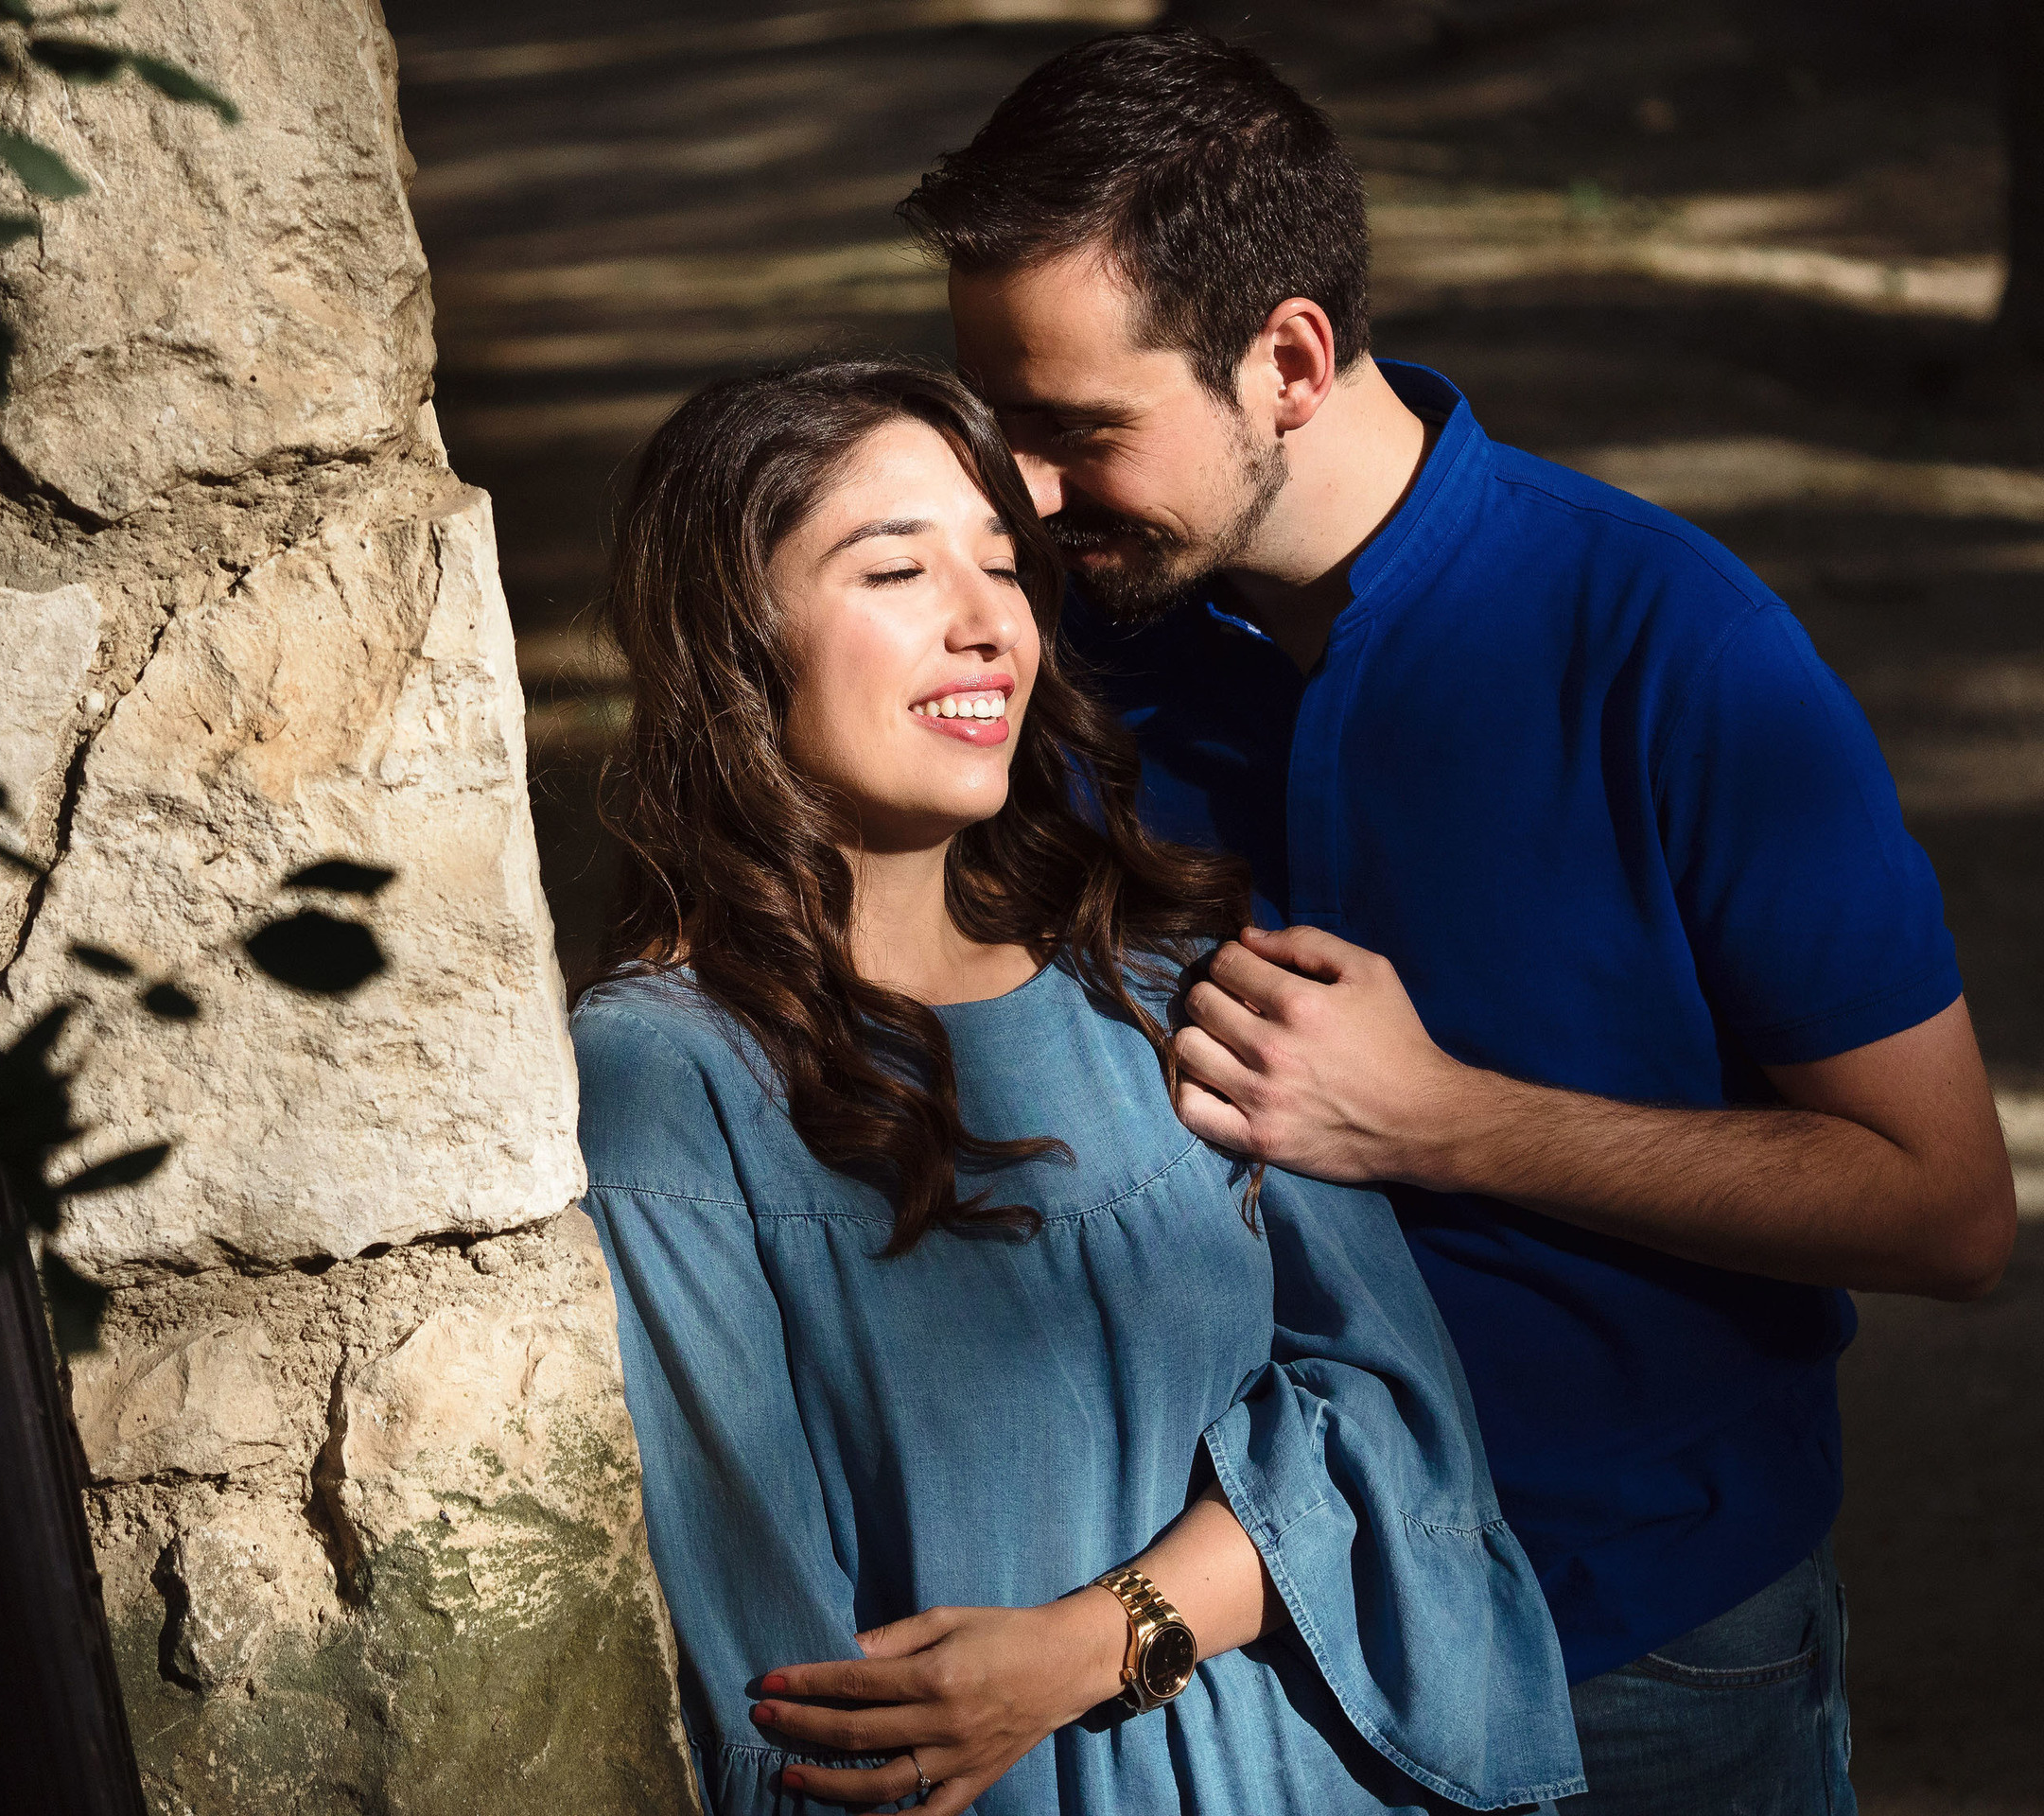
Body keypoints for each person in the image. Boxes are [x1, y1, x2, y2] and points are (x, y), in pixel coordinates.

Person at [903, 28, 2020, 1815]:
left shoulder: (1678, 649)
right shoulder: (1065, 648)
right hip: (1215, 1652)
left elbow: (1949, 1206)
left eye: (1076, 428)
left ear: (1287, 360)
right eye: (996, 424)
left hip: (1640, 1652)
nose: (1021, 495)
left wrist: (1449, 1121)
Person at [569, 361, 1582, 1813]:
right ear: (734, 634)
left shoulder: (1162, 983)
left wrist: (1083, 1647)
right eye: (899, 569)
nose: (989, 624)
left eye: (1007, 568)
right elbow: (776, 1674)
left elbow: (1394, 1422)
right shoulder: (669, 1075)